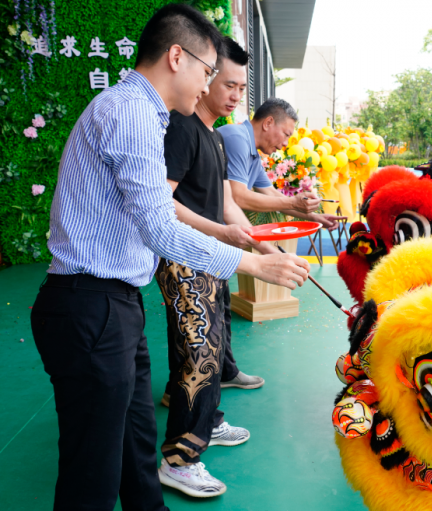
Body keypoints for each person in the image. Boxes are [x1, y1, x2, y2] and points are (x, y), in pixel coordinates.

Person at [29, 5, 309, 510]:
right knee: (91, 471)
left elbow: (162, 210)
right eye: (207, 71)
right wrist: (253, 264)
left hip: (115, 305)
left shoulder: (146, 115)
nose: (208, 85)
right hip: (90, 306)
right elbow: (160, 225)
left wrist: (236, 237)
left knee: (135, 451)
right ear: (176, 56)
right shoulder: (131, 113)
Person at [155, 37, 271, 497]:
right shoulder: (182, 128)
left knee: (211, 348)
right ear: (204, 79)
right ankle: (180, 459)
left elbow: (225, 204)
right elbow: (163, 201)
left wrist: (262, 248)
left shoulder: (216, 136)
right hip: (185, 258)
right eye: (227, 83)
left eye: (243, 88)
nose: (236, 95)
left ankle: (208, 422)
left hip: (211, 258)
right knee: (200, 356)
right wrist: (223, 235)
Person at [218, 98, 345, 231]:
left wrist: (315, 217)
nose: (285, 144)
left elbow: (271, 193)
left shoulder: (252, 152)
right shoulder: (237, 138)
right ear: (268, 123)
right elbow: (238, 197)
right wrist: (293, 203)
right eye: (286, 135)